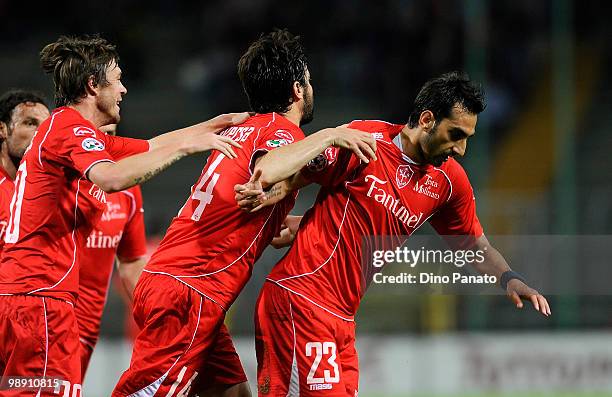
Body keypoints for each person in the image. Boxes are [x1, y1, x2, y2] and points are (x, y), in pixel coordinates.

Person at [236, 72, 551, 395]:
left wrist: (508, 277)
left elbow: (473, 244)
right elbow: (292, 178)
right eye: (455, 134)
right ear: (427, 119)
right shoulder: (364, 141)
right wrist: (262, 195)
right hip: (301, 299)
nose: (461, 149)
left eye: (467, 137)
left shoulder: (448, 183)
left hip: (342, 319)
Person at [113, 29, 376, 397]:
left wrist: (277, 226)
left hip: (179, 282)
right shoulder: (279, 132)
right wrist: (330, 135)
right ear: (298, 89)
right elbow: (268, 166)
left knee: (234, 392)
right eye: (310, 81)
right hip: (191, 291)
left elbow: (243, 196)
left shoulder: (245, 130)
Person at [0, 34, 245, 396]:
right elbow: (111, 177)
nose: (124, 89)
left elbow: (151, 145)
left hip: (29, 299)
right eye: (117, 79)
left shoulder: (68, 129)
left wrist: (207, 127)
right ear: (92, 85)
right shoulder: (67, 126)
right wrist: (187, 147)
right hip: (41, 301)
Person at [76, 123, 148, 379]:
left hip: (85, 328)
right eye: (95, 135)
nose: (101, 144)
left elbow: (130, 263)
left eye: (110, 136)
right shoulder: (47, 180)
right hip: (36, 316)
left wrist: (155, 318)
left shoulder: (125, 190)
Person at [0, 90, 50, 252]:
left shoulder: (49, 192)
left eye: (46, 127)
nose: (41, 134)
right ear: (2, 129)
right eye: (30, 123)